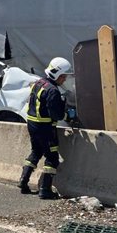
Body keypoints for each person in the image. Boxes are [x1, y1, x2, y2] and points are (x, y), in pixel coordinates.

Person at [17, 57, 72, 199]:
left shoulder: (38, 83)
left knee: (36, 152)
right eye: (63, 77)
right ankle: (45, 190)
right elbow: (56, 115)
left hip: (32, 125)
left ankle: (23, 181)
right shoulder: (53, 91)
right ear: (58, 75)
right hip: (46, 128)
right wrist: (67, 114)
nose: (64, 80)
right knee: (52, 158)